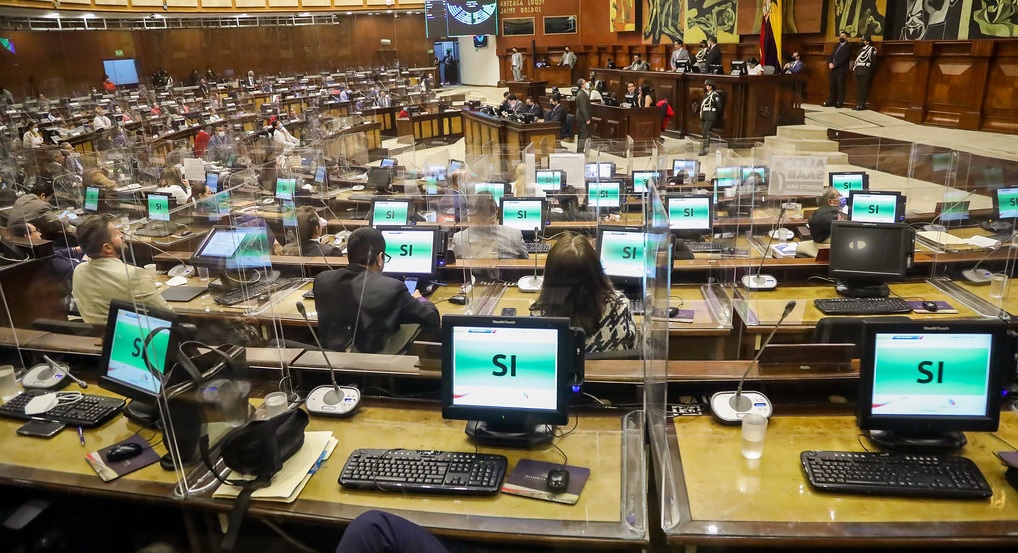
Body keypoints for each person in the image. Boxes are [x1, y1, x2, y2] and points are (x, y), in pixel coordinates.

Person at [313, 227, 440, 353]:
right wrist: (420, 299)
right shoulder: (392, 288)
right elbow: (432, 320)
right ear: (380, 258)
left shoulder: (322, 279)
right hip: (374, 365)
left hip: (331, 364)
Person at [534, 233, 637, 353]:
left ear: (549, 277)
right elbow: (633, 348)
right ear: (597, 271)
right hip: (608, 372)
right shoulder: (620, 308)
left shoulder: (538, 318)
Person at [72, 214, 172, 324]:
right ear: (107, 248)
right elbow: (169, 315)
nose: (122, 235)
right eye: (116, 233)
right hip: (132, 338)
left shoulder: (79, 270)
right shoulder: (133, 275)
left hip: (97, 338)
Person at [450, 192, 528, 260]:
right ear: (496, 213)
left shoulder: (459, 238)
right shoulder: (515, 235)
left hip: (473, 277)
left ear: (474, 215)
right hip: (508, 277)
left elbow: (453, 267)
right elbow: (526, 263)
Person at [824, 30, 852, 108]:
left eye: (843, 36)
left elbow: (844, 58)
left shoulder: (848, 47)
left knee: (840, 86)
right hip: (833, 69)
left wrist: (835, 64)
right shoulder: (837, 45)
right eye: (840, 36)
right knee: (832, 86)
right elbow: (832, 55)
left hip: (841, 69)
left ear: (846, 37)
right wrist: (830, 63)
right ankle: (831, 101)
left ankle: (840, 102)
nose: (841, 38)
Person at [853, 35, 877, 111]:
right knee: (859, 88)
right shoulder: (860, 50)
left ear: (868, 41)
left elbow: (874, 62)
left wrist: (871, 71)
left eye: (864, 40)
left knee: (864, 88)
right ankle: (858, 103)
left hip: (866, 70)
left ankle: (862, 104)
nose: (863, 42)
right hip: (858, 70)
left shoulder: (872, 49)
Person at [698, 80, 721, 156]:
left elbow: (719, 106)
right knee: (704, 132)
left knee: (705, 132)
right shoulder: (707, 94)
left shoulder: (715, 95)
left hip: (711, 115)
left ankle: (705, 148)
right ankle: (705, 147)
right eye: (706, 85)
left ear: (711, 86)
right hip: (705, 115)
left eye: (708, 85)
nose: (706, 86)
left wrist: (715, 114)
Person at [575, 78, 591, 152]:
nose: (586, 83)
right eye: (585, 82)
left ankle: (580, 149)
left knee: (582, 134)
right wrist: (587, 119)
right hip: (582, 118)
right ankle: (580, 150)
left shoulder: (581, 92)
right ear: (582, 85)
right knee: (583, 135)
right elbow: (583, 108)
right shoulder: (581, 94)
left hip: (581, 117)